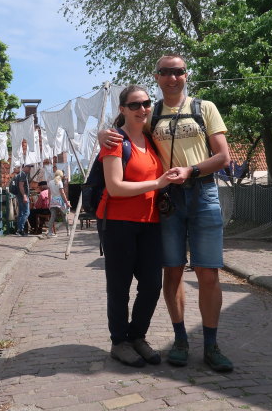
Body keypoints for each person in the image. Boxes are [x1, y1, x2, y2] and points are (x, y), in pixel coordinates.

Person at [99, 55, 233, 372]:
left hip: (202, 192)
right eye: (165, 72)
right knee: (170, 272)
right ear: (157, 77)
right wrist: (102, 134)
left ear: (186, 75)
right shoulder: (152, 114)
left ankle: (211, 345)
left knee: (208, 273)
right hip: (167, 200)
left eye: (178, 71)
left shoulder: (204, 108)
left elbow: (224, 157)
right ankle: (180, 340)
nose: (172, 77)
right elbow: (123, 128)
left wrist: (191, 170)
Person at [97, 84, 179, 367]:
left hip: (151, 223)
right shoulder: (115, 141)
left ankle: (137, 336)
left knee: (152, 285)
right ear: (122, 110)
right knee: (119, 287)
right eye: (134, 105)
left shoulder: (153, 140)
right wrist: (157, 183)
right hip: (119, 223)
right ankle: (119, 342)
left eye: (145, 103)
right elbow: (115, 187)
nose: (142, 109)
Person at [46, 170, 70, 237]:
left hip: (53, 201)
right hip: (60, 201)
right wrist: (66, 202)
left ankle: (49, 232)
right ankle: (68, 231)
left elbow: (49, 193)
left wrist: (49, 202)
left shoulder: (50, 182)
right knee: (64, 216)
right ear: (61, 175)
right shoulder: (60, 182)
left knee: (52, 217)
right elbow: (62, 193)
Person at [15, 164, 32, 236]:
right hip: (22, 196)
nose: (30, 169)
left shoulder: (20, 174)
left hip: (20, 196)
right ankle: (20, 229)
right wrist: (25, 196)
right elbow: (21, 186)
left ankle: (19, 230)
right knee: (26, 212)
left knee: (21, 213)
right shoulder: (23, 175)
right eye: (28, 167)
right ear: (24, 167)